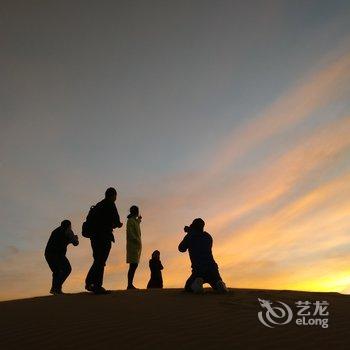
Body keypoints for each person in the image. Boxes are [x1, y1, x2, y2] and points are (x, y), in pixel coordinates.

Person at [85, 187, 123, 294]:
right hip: (104, 236)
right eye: (115, 196)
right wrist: (119, 225)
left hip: (94, 237)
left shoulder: (98, 205)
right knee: (101, 260)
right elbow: (116, 221)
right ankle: (97, 286)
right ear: (113, 195)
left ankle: (89, 283)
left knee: (98, 259)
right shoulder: (110, 204)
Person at [178, 218, 228, 294]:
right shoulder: (207, 236)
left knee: (188, 287)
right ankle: (220, 284)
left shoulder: (190, 236)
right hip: (213, 269)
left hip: (199, 270)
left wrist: (190, 232)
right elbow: (200, 238)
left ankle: (197, 284)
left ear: (193, 226)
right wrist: (191, 231)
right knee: (216, 282)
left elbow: (181, 248)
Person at [45, 220, 79, 295]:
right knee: (67, 269)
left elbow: (61, 241)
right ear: (69, 226)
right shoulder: (68, 231)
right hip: (56, 254)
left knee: (57, 271)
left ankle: (56, 290)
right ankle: (56, 288)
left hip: (49, 254)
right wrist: (74, 238)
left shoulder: (56, 231)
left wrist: (70, 240)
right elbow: (76, 243)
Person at [126, 205, 142, 289]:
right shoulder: (130, 221)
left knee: (134, 265)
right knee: (133, 265)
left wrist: (139, 219)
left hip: (137, 245)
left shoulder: (135, 221)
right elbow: (130, 233)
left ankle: (130, 284)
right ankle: (129, 284)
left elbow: (137, 222)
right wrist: (136, 240)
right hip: (133, 245)